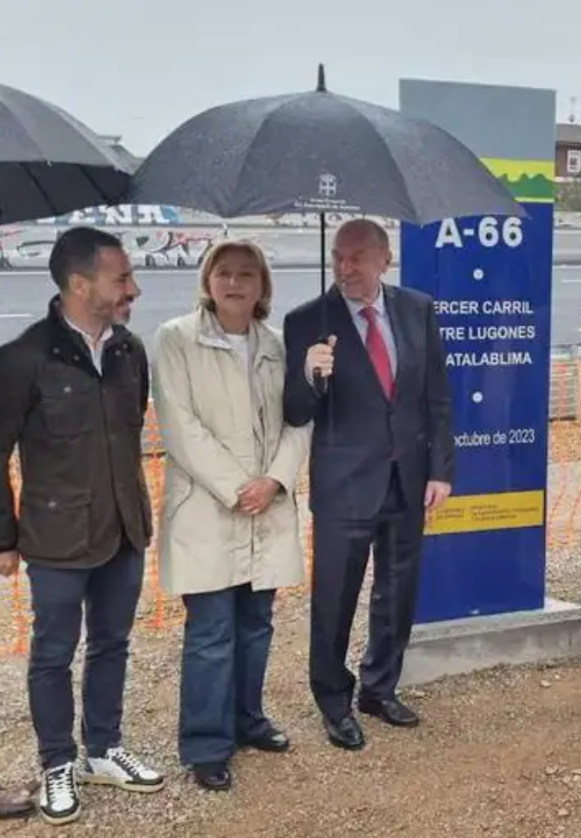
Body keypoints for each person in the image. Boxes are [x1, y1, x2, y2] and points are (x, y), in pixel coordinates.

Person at [0, 227, 164, 826]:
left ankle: (102, 748)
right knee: (52, 654)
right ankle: (57, 763)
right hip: (56, 539)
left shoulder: (130, 351)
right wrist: (5, 537)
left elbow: (128, 427)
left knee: (113, 644)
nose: (133, 289)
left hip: (124, 529)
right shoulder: (23, 358)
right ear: (79, 283)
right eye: (121, 278)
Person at [283, 218, 453, 750]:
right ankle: (334, 702)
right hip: (344, 487)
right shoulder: (307, 322)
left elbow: (436, 398)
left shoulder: (416, 310)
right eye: (338, 257)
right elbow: (293, 412)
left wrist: (441, 469)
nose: (345, 267)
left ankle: (379, 688)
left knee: (398, 594)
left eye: (357, 257)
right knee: (335, 599)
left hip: (407, 477)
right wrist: (311, 375)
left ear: (385, 259)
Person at [153, 241, 312, 790]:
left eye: (247, 273)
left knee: (256, 625)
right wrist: (236, 486)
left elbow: (299, 420)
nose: (235, 282)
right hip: (208, 508)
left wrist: (275, 480)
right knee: (211, 630)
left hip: (265, 505)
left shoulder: (278, 346)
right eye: (224, 272)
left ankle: (248, 719)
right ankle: (205, 741)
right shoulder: (176, 339)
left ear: (263, 286)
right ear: (208, 280)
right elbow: (179, 425)